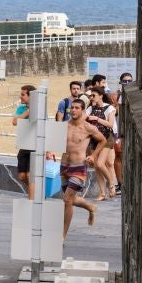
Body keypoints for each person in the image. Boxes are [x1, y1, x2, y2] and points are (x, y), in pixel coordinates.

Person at [60, 99, 111, 237]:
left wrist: (93, 155)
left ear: (82, 110)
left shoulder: (88, 127)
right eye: (72, 108)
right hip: (64, 165)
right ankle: (90, 207)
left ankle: (62, 236)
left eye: (77, 108)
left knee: (67, 200)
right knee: (70, 199)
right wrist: (50, 152)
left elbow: (103, 140)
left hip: (78, 167)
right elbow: (54, 141)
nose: (74, 110)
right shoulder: (64, 126)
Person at [85, 87, 118, 200]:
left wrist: (97, 119)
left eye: (93, 95)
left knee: (100, 163)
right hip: (95, 139)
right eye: (91, 96)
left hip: (107, 137)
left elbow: (110, 124)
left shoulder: (110, 108)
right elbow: (83, 119)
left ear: (101, 95)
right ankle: (103, 193)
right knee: (97, 167)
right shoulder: (90, 108)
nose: (92, 98)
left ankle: (111, 184)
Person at [12, 85, 37, 199]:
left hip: (35, 146)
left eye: (23, 94)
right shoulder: (21, 109)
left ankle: (31, 201)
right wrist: (27, 112)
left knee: (30, 175)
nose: (20, 96)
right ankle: (37, 193)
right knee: (22, 176)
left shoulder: (39, 110)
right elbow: (15, 122)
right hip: (24, 146)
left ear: (30, 96)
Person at [113, 72, 133, 191]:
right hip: (120, 131)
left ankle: (128, 182)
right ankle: (120, 183)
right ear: (121, 82)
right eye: (125, 81)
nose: (127, 83)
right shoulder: (117, 96)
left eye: (129, 81)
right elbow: (118, 116)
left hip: (132, 131)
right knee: (119, 155)